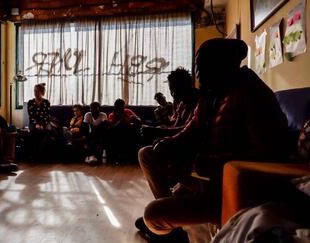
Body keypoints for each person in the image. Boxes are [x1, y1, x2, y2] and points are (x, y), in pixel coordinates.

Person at [135, 39, 288, 241]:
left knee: (153, 215)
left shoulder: (252, 93)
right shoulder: (212, 94)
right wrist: (169, 144)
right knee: (148, 154)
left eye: (202, 67)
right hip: (205, 175)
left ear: (224, 64)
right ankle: (176, 226)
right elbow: (192, 130)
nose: (198, 76)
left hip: (232, 185)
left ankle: (172, 228)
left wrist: (217, 164)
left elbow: (270, 152)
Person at [142, 68, 200, 144]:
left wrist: (158, 132)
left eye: (175, 89)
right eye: (170, 90)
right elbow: (176, 125)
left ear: (185, 86)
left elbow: (188, 130)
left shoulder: (198, 100)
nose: (172, 94)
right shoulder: (181, 104)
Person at [107, 99, 141, 163]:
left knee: (134, 126)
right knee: (120, 127)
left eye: (122, 106)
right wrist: (121, 119)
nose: (121, 108)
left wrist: (134, 118)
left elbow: (139, 119)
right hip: (118, 132)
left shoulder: (127, 111)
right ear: (115, 106)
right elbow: (112, 127)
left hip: (130, 130)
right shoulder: (112, 115)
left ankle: (132, 156)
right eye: (119, 106)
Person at [26, 83, 55, 160]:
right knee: (33, 131)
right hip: (33, 122)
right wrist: (36, 124)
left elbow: (47, 115)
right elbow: (31, 116)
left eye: (37, 91)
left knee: (45, 131)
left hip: (44, 122)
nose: (35, 93)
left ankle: (43, 156)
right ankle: (33, 155)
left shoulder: (46, 102)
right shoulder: (30, 102)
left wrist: (42, 124)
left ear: (42, 92)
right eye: (34, 91)